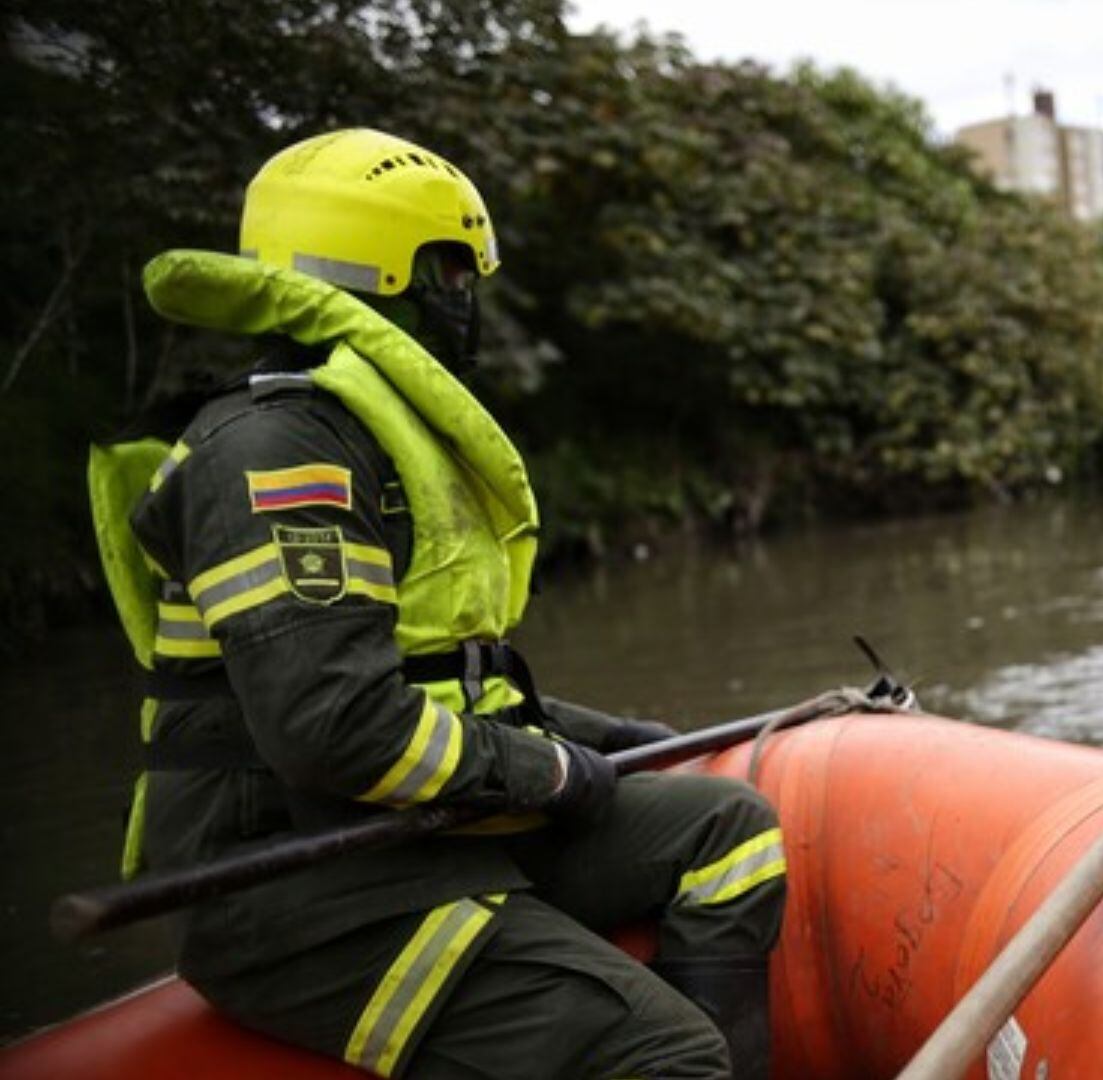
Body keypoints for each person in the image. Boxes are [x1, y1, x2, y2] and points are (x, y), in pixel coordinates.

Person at [86, 128, 783, 1078]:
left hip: (417, 833)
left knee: (726, 833)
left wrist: (603, 734)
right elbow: (335, 728)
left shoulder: (354, 435)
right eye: (452, 274)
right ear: (383, 275)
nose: (468, 302)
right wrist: (546, 773)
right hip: (307, 884)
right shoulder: (278, 456)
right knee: (662, 1054)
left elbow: (433, 680)